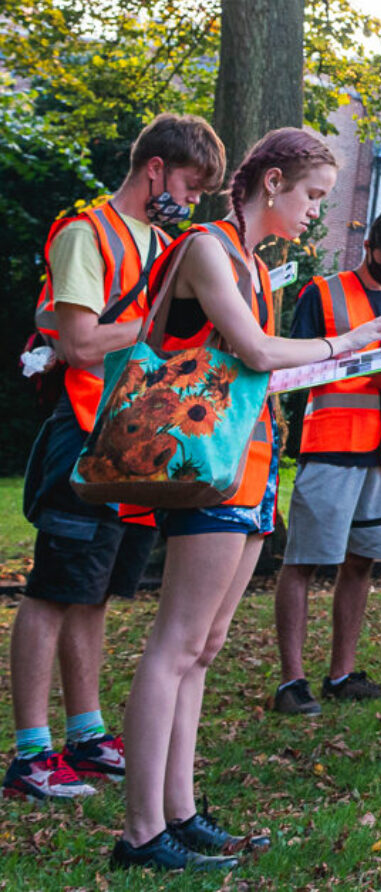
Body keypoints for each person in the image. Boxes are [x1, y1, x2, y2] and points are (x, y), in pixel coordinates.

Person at [114, 128, 381, 870]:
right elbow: (256, 352)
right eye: (313, 195)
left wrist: (363, 358)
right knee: (176, 644)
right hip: (206, 468)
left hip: (248, 470)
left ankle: (179, 813)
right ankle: (143, 832)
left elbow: (260, 375)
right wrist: (352, 344)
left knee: (203, 648)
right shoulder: (210, 248)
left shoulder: (250, 261)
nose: (317, 211)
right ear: (271, 182)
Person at [7, 114, 221, 804]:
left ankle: (87, 734)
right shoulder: (85, 234)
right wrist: (166, 322)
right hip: (82, 435)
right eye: (188, 186)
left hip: (132, 446)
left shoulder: (160, 243)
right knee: (52, 591)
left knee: (92, 593)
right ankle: (31, 753)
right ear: (155, 168)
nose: (189, 204)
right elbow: (78, 342)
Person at [271, 209, 381, 717]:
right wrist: (354, 350)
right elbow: (292, 365)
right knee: (303, 560)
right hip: (332, 442)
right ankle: (291, 682)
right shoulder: (323, 293)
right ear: (369, 248)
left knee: (361, 562)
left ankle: (342, 673)